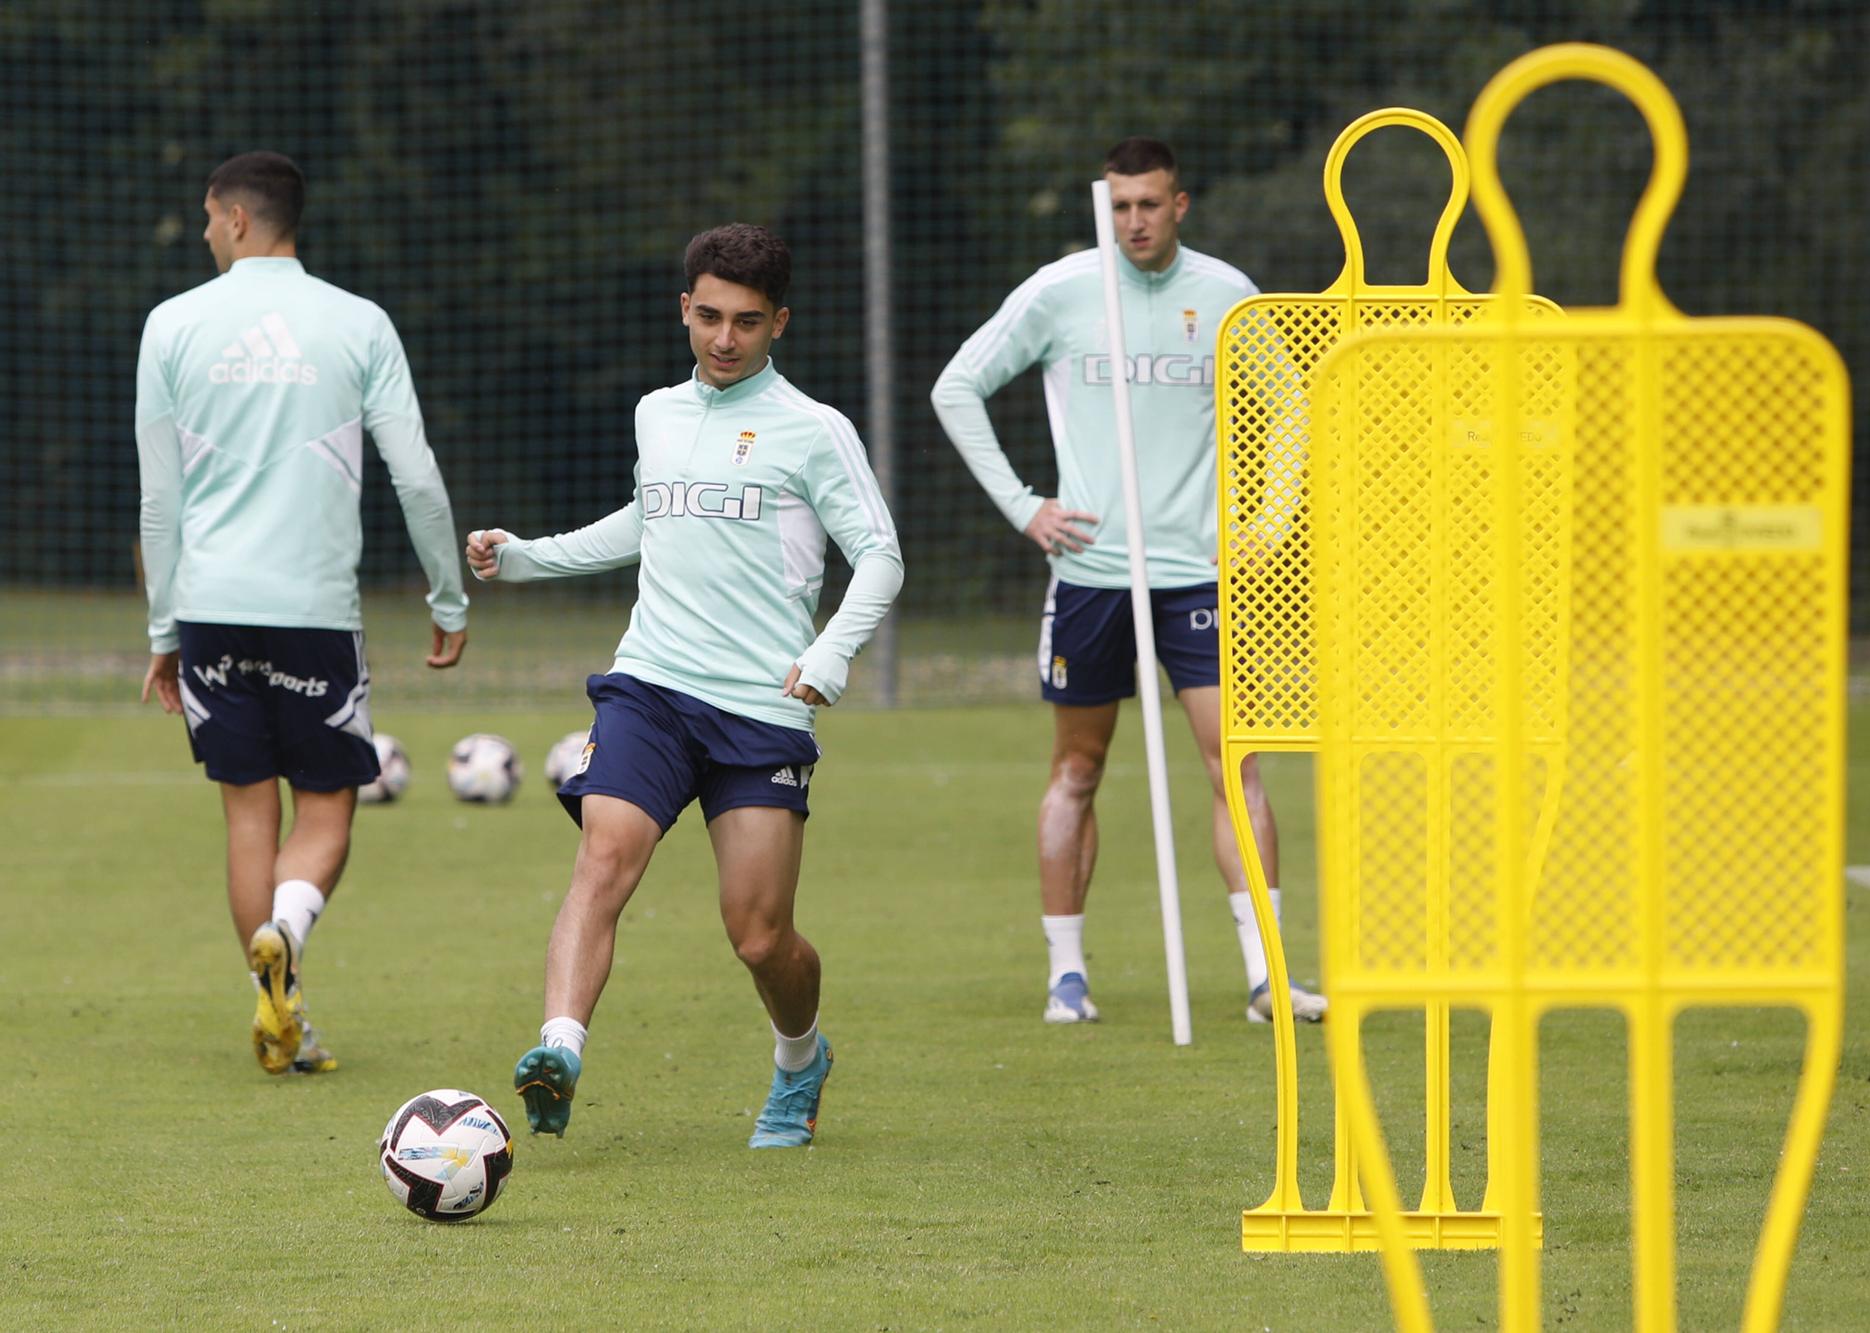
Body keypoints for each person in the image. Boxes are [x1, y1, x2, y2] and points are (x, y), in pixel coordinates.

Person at [466, 223, 901, 1148]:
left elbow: (880, 558)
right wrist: (528, 557)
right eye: (709, 317)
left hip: (761, 707)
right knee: (605, 855)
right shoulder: (656, 412)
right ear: (684, 310)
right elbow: (648, 517)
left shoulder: (816, 430)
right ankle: (560, 1048)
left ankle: (800, 1057)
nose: (725, 339)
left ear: (778, 321)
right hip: (650, 685)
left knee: (759, 937)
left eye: (747, 321)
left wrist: (829, 656)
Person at [930, 137, 1327, 1027]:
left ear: (1179, 205)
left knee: (1238, 763)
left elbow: (1297, 406)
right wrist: (1026, 507)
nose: (1135, 221)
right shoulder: (1062, 291)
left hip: (1199, 574)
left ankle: (1269, 975)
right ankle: (1066, 975)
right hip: (1092, 574)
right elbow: (958, 388)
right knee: (1078, 766)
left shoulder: (1228, 296)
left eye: (1150, 204)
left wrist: (1266, 522)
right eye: (1120, 207)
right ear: (1103, 206)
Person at [136, 150, 469, 1075]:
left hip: (206, 609)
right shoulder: (358, 322)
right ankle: (286, 934)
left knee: (250, 813)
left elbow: (158, 504)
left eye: (208, 218)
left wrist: (163, 632)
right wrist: (446, 595)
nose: (205, 234)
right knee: (324, 809)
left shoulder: (171, 325)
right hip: (314, 613)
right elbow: (417, 474)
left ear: (237, 219)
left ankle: (278, 1004)